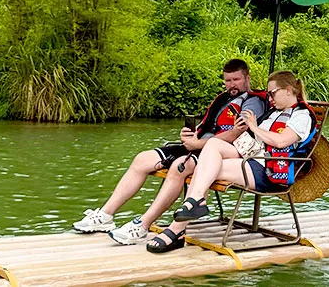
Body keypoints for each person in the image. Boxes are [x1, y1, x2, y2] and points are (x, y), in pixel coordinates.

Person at [71, 59, 267, 245]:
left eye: (236, 80)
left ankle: (143, 225)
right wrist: (190, 135)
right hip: (199, 144)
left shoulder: (253, 102)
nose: (231, 84)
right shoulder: (223, 99)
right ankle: (105, 215)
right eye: (227, 80)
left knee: (178, 167)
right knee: (142, 159)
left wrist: (198, 144)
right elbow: (209, 125)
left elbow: (239, 134)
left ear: (247, 78)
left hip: (220, 153)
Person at [146, 70, 316, 253]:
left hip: (267, 169)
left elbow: (280, 141)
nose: (270, 98)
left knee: (206, 170)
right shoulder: (275, 112)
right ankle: (196, 200)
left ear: (289, 90)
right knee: (213, 144)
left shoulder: (301, 116)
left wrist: (253, 126)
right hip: (249, 156)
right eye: (268, 94)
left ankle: (177, 229)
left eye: (273, 93)